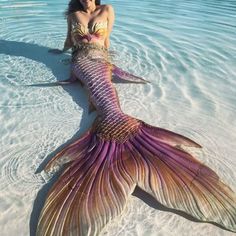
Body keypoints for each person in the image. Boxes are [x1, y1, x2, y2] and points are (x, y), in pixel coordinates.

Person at [36, 0, 236, 235]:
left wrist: (110, 62)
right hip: (81, 62)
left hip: (101, 59)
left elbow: (107, 38)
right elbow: (70, 40)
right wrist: (61, 54)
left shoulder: (107, 9)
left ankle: (113, 123)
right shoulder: (74, 15)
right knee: (94, 81)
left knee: (103, 88)